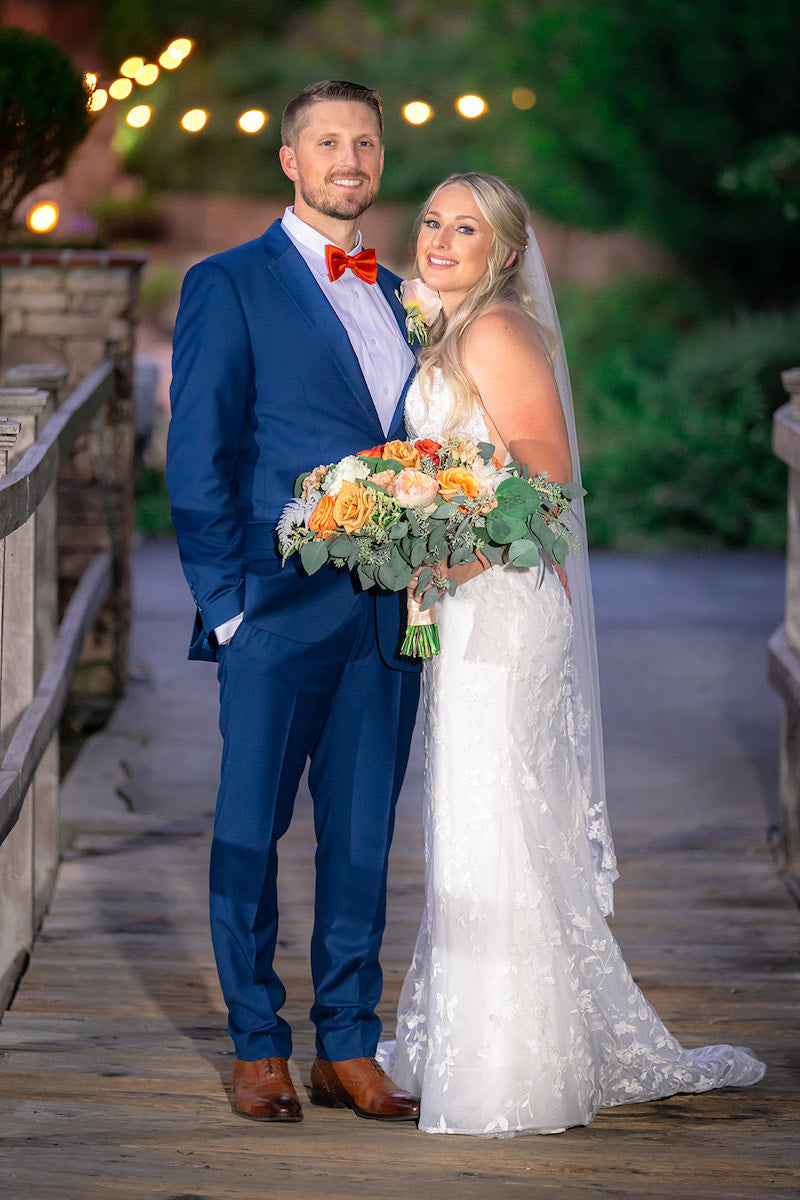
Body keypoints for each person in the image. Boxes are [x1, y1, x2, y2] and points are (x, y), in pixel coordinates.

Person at [376, 172, 766, 1136]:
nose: (439, 238)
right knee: (477, 815)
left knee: (495, 816)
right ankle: (484, 1035)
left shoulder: (496, 332)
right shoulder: (444, 327)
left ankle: (510, 1067)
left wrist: (451, 549)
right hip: (466, 605)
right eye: (431, 221)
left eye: (465, 228)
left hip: (499, 605)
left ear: (503, 252)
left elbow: (546, 474)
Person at [166, 80, 422, 1124]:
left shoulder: (403, 292)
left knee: (363, 835)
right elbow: (199, 458)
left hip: (386, 616)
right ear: (290, 160)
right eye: (327, 143)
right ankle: (258, 1041)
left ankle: (348, 1043)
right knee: (247, 832)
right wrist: (228, 607)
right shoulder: (225, 284)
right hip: (272, 611)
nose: (349, 159)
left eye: (363, 141)